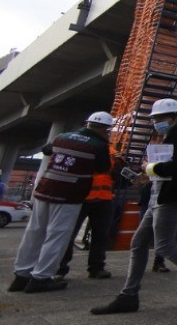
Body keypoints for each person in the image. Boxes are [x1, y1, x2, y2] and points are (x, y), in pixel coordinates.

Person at [92, 98, 177, 315]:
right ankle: (129, 295)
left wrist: (150, 167)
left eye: (161, 118)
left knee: (164, 246)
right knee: (138, 243)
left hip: (170, 198)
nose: (156, 122)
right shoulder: (170, 137)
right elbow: (170, 170)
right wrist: (148, 176)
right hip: (160, 196)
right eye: (155, 118)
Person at [9, 111, 112, 293]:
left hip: (45, 190)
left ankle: (21, 275)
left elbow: (46, 150)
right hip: (69, 195)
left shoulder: (62, 136)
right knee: (57, 236)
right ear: (105, 129)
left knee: (34, 232)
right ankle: (41, 277)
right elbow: (103, 168)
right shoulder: (99, 145)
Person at [56, 112, 118, 280]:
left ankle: (96, 267)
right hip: (81, 196)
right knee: (68, 233)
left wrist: (120, 167)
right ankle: (60, 267)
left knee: (101, 235)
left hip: (104, 197)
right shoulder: (86, 145)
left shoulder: (110, 149)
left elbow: (112, 174)